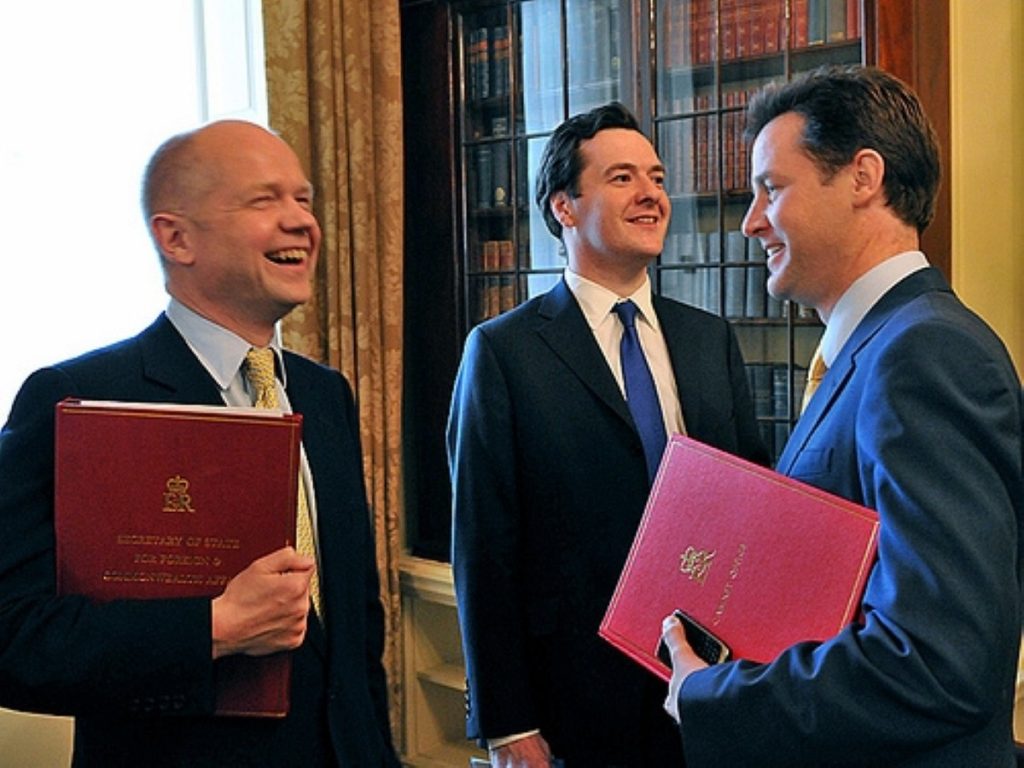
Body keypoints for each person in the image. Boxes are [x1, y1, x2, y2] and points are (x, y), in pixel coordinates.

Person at [0, 120, 400, 767]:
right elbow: (13, 638)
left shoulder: (328, 395)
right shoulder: (78, 397)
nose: (301, 221)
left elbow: (356, 629)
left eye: (304, 199)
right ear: (176, 237)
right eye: (264, 200)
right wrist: (211, 629)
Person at [660, 65, 1023, 766]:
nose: (751, 221)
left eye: (773, 188)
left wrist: (718, 696)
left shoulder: (926, 353)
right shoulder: (878, 348)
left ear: (863, 177)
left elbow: (938, 662)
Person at [448, 101, 769, 767]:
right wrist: (507, 722)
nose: (652, 193)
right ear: (565, 206)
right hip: (575, 705)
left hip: (714, 684)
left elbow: (755, 508)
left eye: (656, 177)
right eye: (623, 178)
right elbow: (484, 547)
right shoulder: (504, 352)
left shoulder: (710, 339)